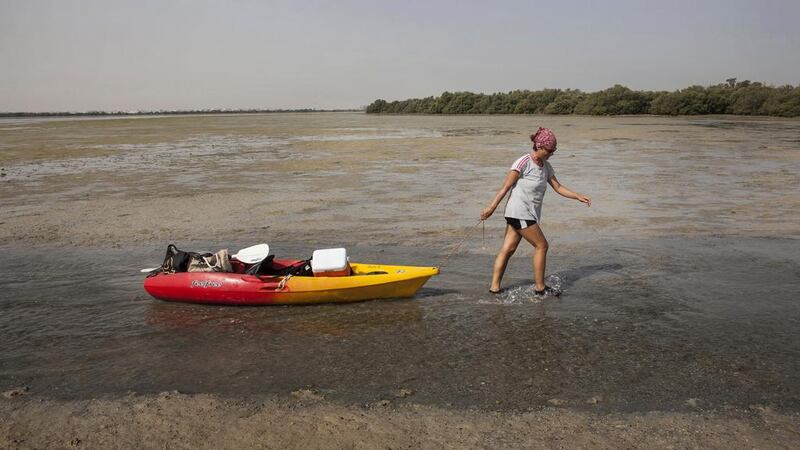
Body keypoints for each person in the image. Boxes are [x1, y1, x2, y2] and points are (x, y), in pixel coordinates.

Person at [480, 127, 591, 296]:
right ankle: (540, 288)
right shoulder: (523, 162)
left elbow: (558, 187)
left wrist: (577, 196)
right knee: (542, 245)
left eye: (554, 150)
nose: (552, 153)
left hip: (524, 214)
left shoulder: (546, 166)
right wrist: (491, 207)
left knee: (508, 249)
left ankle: (494, 288)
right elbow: (505, 187)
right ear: (539, 146)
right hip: (519, 212)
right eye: (550, 150)